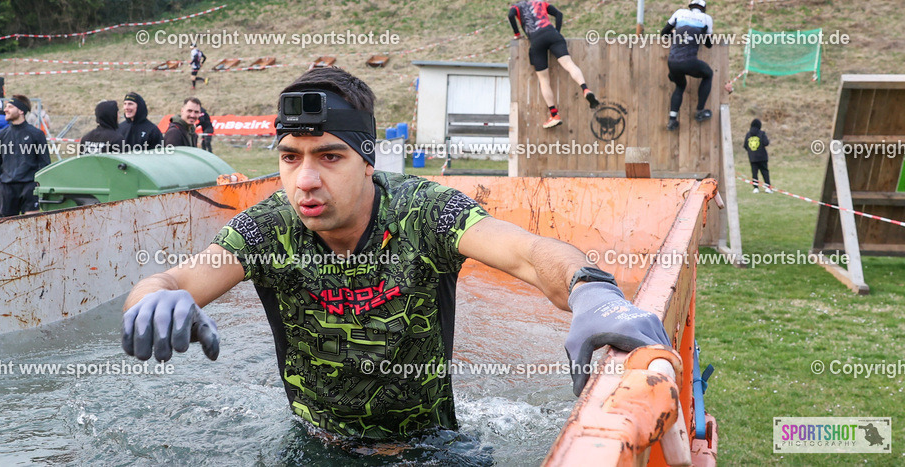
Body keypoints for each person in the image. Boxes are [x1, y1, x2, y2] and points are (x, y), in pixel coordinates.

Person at [121, 67, 670, 442]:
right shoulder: (269, 230)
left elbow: (527, 252)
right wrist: (152, 301)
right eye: (290, 157)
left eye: (329, 156)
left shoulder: (424, 212)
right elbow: (177, 278)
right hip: (318, 446)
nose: (305, 180)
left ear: (367, 161)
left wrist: (590, 289)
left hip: (432, 448)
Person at [508, 0, 600, 129]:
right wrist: (557, 31)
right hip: (552, 34)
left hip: (536, 40)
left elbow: (510, 15)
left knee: (544, 79)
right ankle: (585, 89)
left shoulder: (516, 7)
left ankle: (554, 115)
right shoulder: (540, 2)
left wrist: (517, 34)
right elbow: (559, 14)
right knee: (569, 64)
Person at [0, 95, 51, 217]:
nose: (5, 110)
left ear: (21, 111)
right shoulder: (1, 135)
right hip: (7, 188)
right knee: (7, 229)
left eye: (10, 107)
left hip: (29, 187)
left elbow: (44, 162)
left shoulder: (36, 134)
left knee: (31, 227)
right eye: (6, 106)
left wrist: (37, 183)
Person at [662, 0, 715, 131]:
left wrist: (677, 35)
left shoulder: (679, 13)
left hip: (672, 61)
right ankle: (700, 111)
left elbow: (664, 33)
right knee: (708, 74)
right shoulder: (706, 18)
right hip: (689, 60)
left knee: (680, 86)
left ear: (690, 7)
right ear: (703, 8)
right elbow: (708, 45)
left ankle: (672, 120)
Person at [744, 118, 773, 193]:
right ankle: (768, 188)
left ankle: (755, 188)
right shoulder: (762, 133)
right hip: (762, 157)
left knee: (754, 173)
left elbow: (745, 145)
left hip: (752, 158)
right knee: (764, 172)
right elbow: (766, 143)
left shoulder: (748, 134)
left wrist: (751, 152)